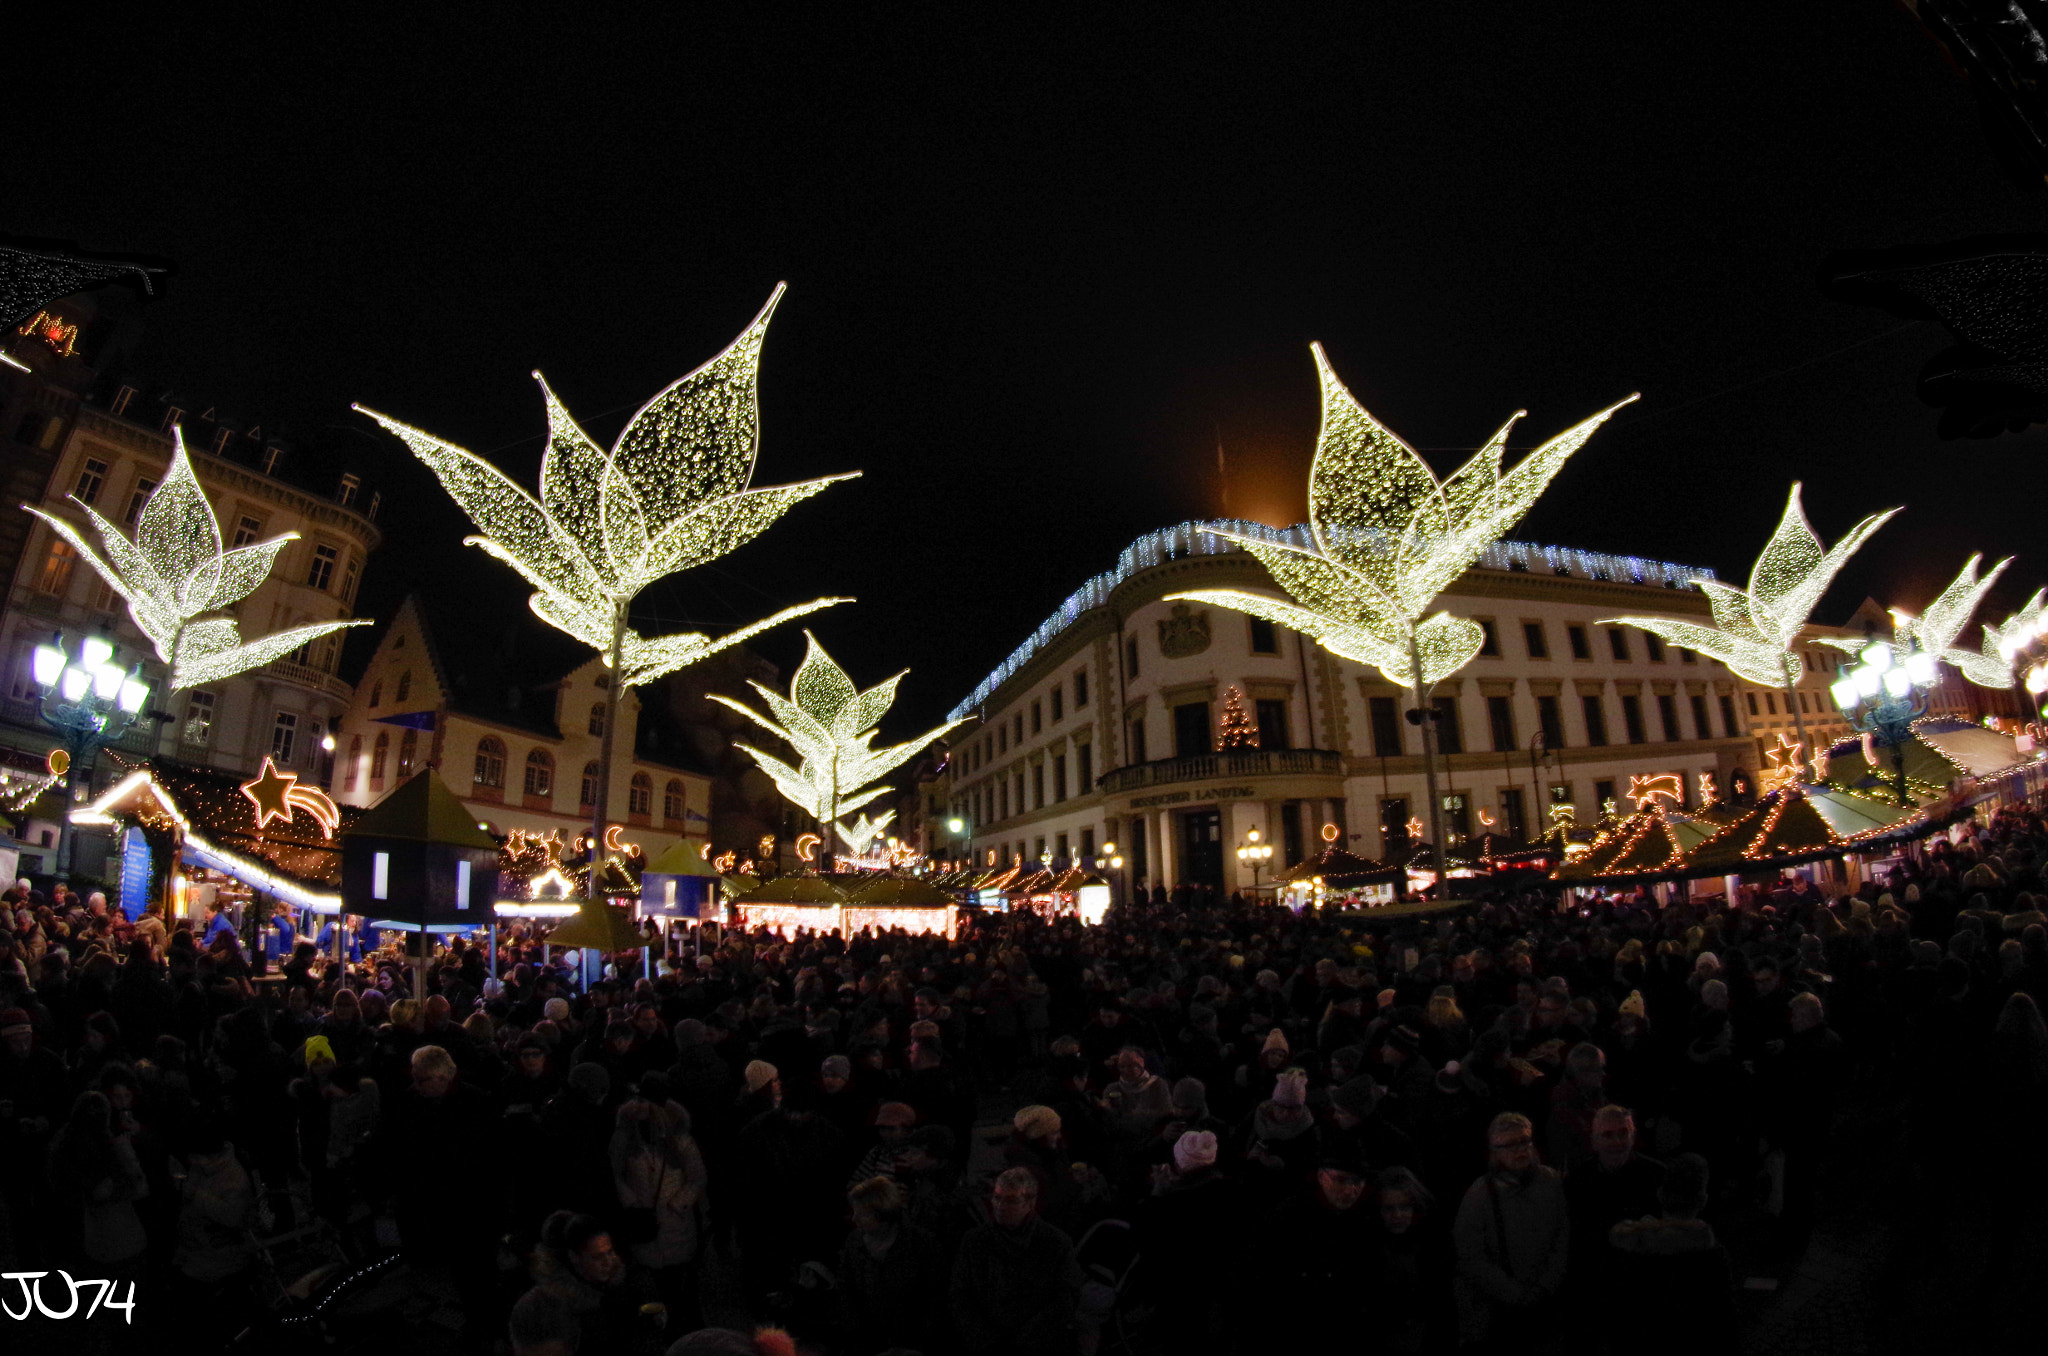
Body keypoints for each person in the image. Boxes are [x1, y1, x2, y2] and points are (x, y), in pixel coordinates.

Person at [1453, 1111, 1569, 1354]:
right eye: (1510, 1144)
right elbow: (1469, 1254)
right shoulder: (1481, 1194)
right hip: (1499, 1308)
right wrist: (1513, 1292)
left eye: (1524, 1142)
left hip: (1547, 1301)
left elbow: (1563, 1236)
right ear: (1494, 1150)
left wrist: (1545, 1285)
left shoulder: (1551, 1182)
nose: (1520, 1150)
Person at [1605, 1153, 1737, 1354]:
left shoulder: (1630, 1247)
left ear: (1660, 1194)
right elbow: (1723, 1323)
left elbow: (1618, 1314)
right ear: (1702, 1201)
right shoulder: (1713, 1257)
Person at [950, 1166, 1084, 1356]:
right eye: (997, 1198)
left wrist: (1028, 1340)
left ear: (1030, 1203)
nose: (1000, 1206)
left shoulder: (1056, 1243)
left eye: (1011, 1200)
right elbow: (960, 1294)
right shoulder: (975, 1241)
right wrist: (984, 1340)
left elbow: (1065, 1299)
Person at [611, 1093, 709, 1332]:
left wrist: (678, 1204)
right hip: (645, 1226)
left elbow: (697, 1177)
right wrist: (633, 1204)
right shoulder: (624, 1141)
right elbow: (615, 1176)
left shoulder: (680, 1141)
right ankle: (666, 1328)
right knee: (655, 1285)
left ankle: (685, 1328)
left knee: (682, 1285)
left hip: (676, 1224)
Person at [836, 1175, 949, 1354]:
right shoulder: (854, 1242)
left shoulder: (921, 1244)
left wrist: (917, 1344)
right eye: (854, 1211)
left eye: (863, 1213)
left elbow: (935, 1298)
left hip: (914, 1343)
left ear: (884, 1213)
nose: (855, 1218)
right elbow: (846, 1292)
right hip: (866, 1342)